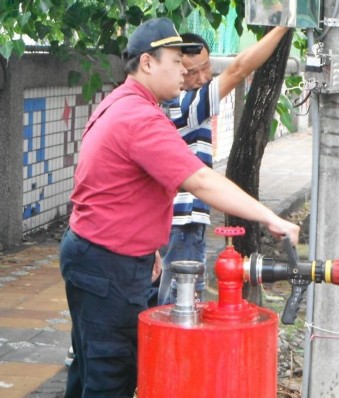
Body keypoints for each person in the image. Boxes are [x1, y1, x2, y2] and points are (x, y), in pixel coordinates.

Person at [59, 17, 299, 397]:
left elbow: (115, 189)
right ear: (148, 63)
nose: (184, 70)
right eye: (175, 61)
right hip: (107, 266)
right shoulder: (140, 117)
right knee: (111, 374)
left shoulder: (120, 102)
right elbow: (202, 181)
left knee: (89, 364)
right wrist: (269, 217)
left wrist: (147, 245)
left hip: (94, 253)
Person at [157, 26, 290, 305]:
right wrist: (282, 27)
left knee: (170, 294)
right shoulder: (186, 104)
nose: (203, 77)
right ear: (178, 70)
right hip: (185, 222)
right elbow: (239, 69)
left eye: (207, 67)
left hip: (174, 222)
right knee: (182, 302)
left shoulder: (171, 103)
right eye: (193, 71)